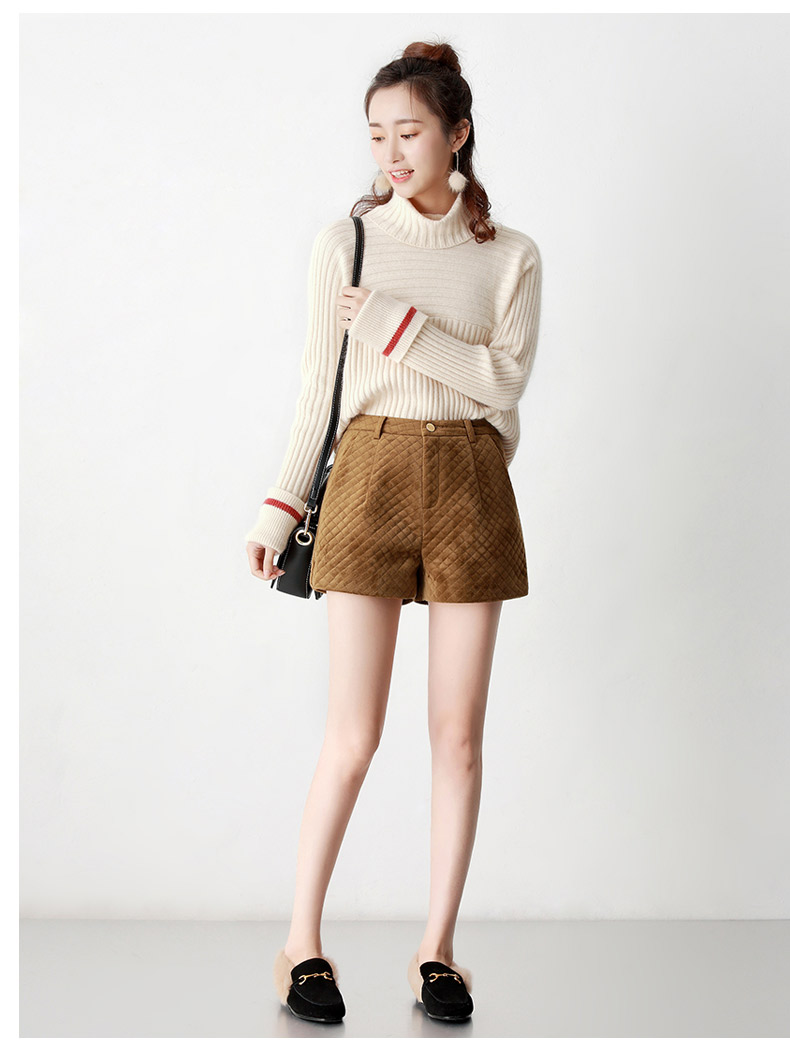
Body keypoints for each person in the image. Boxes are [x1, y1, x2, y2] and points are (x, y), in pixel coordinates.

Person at [244, 39, 542, 1024]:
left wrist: (400, 329)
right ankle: (302, 944)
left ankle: (437, 951)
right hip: (367, 472)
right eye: (376, 135)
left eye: (408, 132)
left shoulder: (511, 256)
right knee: (353, 735)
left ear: (457, 133)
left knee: (457, 737)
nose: (390, 152)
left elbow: (502, 383)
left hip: (470, 480)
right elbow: (317, 390)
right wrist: (282, 504)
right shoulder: (349, 242)